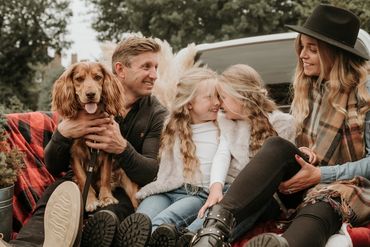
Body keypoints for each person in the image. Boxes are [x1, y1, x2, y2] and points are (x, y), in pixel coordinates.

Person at [190, 4, 370, 247]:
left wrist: (321, 174)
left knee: (325, 203)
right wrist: (308, 155)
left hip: (349, 186)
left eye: (312, 49)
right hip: (308, 176)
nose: (302, 55)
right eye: (301, 47)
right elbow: (308, 148)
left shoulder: (364, 92)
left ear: (333, 53)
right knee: (277, 147)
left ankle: (281, 244)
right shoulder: (310, 89)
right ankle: (210, 236)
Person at [0, 35, 167, 247]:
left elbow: (152, 173)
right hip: (77, 179)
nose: (154, 75)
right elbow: (54, 166)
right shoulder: (79, 105)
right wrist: (63, 133)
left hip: (117, 184)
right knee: (53, 200)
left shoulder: (156, 113)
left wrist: (122, 148)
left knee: (109, 216)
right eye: (146, 67)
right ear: (121, 70)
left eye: (155, 67)